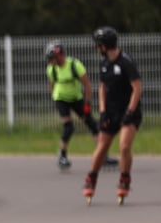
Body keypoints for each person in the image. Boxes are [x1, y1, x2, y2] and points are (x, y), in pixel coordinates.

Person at [83, 26, 142, 205]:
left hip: (128, 112)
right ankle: (91, 178)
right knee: (102, 146)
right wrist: (102, 111)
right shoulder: (104, 64)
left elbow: (137, 88)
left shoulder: (126, 62)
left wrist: (130, 111)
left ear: (106, 45)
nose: (97, 48)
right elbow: (102, 87)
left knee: (124, 147)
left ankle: (124, 179)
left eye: (99, 45)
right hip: (110, 112)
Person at [44, 40, 113, 171]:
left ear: (59, 55)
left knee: (92, 125)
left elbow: (87, 84)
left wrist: (87, 103)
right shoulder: (51, 69)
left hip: (77, 98)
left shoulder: (74, 65)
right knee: (68, 127)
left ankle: (102, 155)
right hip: (61, 99)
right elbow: (52, 84)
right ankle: (62, 155)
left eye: (52, 58)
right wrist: (55, 98)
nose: (50, 61)